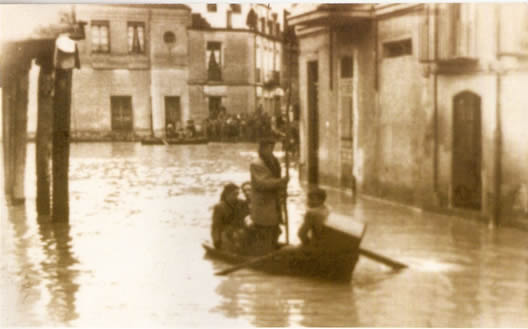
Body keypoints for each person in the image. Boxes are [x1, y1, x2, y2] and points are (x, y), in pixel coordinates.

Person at [250, 138, 288, 255]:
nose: (271, 150)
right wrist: (280, 182)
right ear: (261, 149)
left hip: (274, 202)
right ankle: (264, 252)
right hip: (263, 203)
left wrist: (283, 190)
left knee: (275, 228)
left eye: (272, 148)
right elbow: (262, 183)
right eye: (268, 148)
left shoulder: (274, 161)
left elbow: (278, 178)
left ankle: (273, 248)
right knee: (264, 227)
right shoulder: (256, 164)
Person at [211, 183, 248, 252]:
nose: (236, 196)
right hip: (226, 233)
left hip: (239, 231)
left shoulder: (241, 203)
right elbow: (216, 226)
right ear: (227, 194)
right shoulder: (219, 207)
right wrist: (216, 241)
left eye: (237, 194)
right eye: (234, 194)